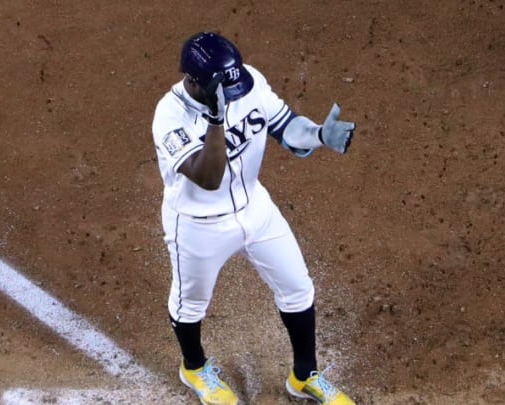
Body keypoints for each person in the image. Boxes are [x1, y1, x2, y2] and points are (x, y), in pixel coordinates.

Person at [151, 31, 357, 405]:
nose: (234, 98)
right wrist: (216, 119)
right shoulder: (169, 115)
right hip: (198, 226)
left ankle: (304, 375)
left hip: (255, 209)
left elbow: (284, 126)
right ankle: (194, 369)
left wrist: (319, 135)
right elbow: (209, 178)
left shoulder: (248, 82)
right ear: (195, 82)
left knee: (298, 287)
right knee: (189, 303)